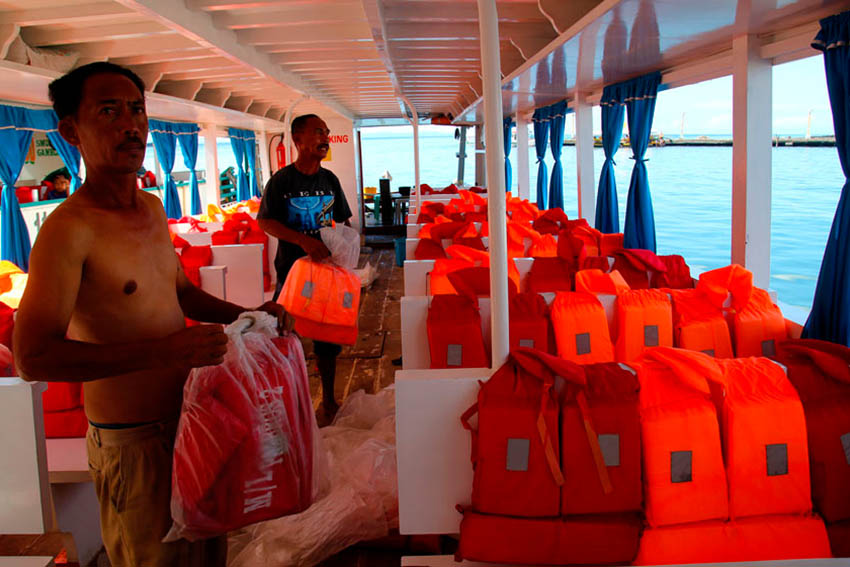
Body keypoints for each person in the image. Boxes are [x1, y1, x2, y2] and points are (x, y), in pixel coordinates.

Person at [13, 62, 283, 567]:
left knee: (207, 555)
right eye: (108, 111)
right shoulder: (68, 229)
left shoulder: (152, 209)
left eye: (137, 110)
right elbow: (32, 357)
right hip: (133, 442)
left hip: (194, 423)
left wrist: (248, 314)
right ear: (71, 130)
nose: (130, 125)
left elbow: (180, 291)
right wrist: (165, 351)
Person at [257, 113, 353, 418]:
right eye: (317, 133)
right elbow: (265, 222)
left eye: (325, 133)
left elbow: (343, 220)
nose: (324, 138)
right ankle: (291, 401)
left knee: (327, 338)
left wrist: (347, 249)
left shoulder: (330, 180)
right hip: (292, 273)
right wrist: (303, 241)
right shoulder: (282, 181)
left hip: (326, 272)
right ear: (297, 140)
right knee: (286, 334)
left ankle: (328, 399)